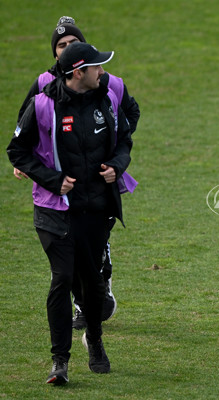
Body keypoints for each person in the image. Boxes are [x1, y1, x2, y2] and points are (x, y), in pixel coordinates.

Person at [7, 42, 133, 384]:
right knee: (62, 279)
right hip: (54, 212)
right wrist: (52, 180)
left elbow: (124, 140)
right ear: (78, 72)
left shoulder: (106, 98)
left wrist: (117, 167)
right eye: (97, 67)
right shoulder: (43, 105)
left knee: (92, 285)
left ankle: (94, 337)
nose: (103, 73)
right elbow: (16, 151)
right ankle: (59, 361)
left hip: (95, 209)